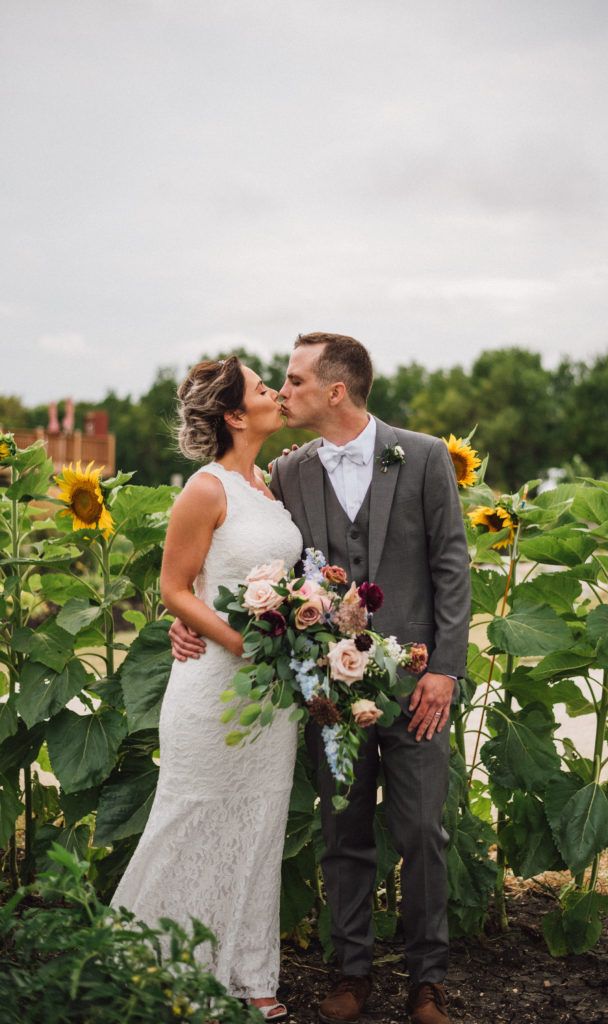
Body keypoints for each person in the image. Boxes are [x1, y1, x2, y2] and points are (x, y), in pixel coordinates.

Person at [170, 333, 470, 1024]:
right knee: (344, 832)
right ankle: (351, 974)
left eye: (296, 380)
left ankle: (429, 982)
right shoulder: (289, 472)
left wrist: (445, 670)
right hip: (329, 690)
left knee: (424, 831)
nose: (284, 390)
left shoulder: (423, 457)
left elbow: (453, 568)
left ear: (336, 390)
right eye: (276, 382)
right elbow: (239, 559)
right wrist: (178, 614)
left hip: (418, 685)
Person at [113, 357, 303, 1021]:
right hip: (215, 686)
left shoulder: (273, 485)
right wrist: (239, 642)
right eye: (261, 388)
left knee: (260, 823)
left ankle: (251, 976)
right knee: (192, 820)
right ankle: (153, 967)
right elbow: (174, 588)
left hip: (271, 696)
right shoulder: (206, 488)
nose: (276, 393)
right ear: (231, 414)